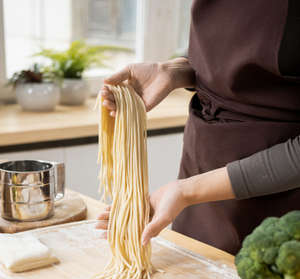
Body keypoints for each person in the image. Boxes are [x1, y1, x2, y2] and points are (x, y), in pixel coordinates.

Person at [97, 0, 300, 255]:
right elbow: (228, 65)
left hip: (280, 195)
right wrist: (173, 71)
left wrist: (187, 191)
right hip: (201, 167)